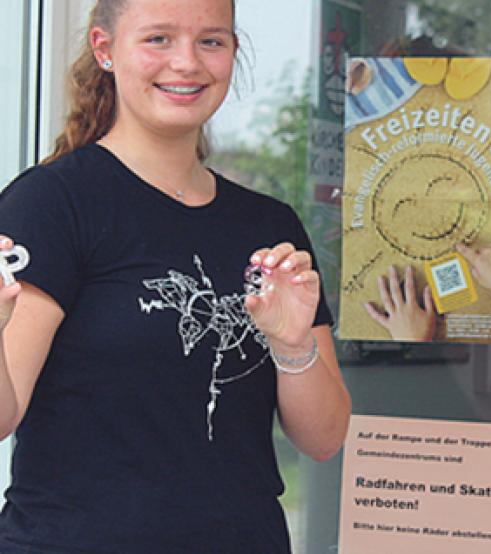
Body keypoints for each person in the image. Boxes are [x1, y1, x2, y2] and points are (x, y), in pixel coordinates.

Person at [0, 0, 351, 552]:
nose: (186, 62)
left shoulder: (268, 224)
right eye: (158, 39)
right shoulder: (51, 204)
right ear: (104, 49)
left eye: (211, 41)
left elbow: (326, 438)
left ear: (233, 53)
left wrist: (292, 343)